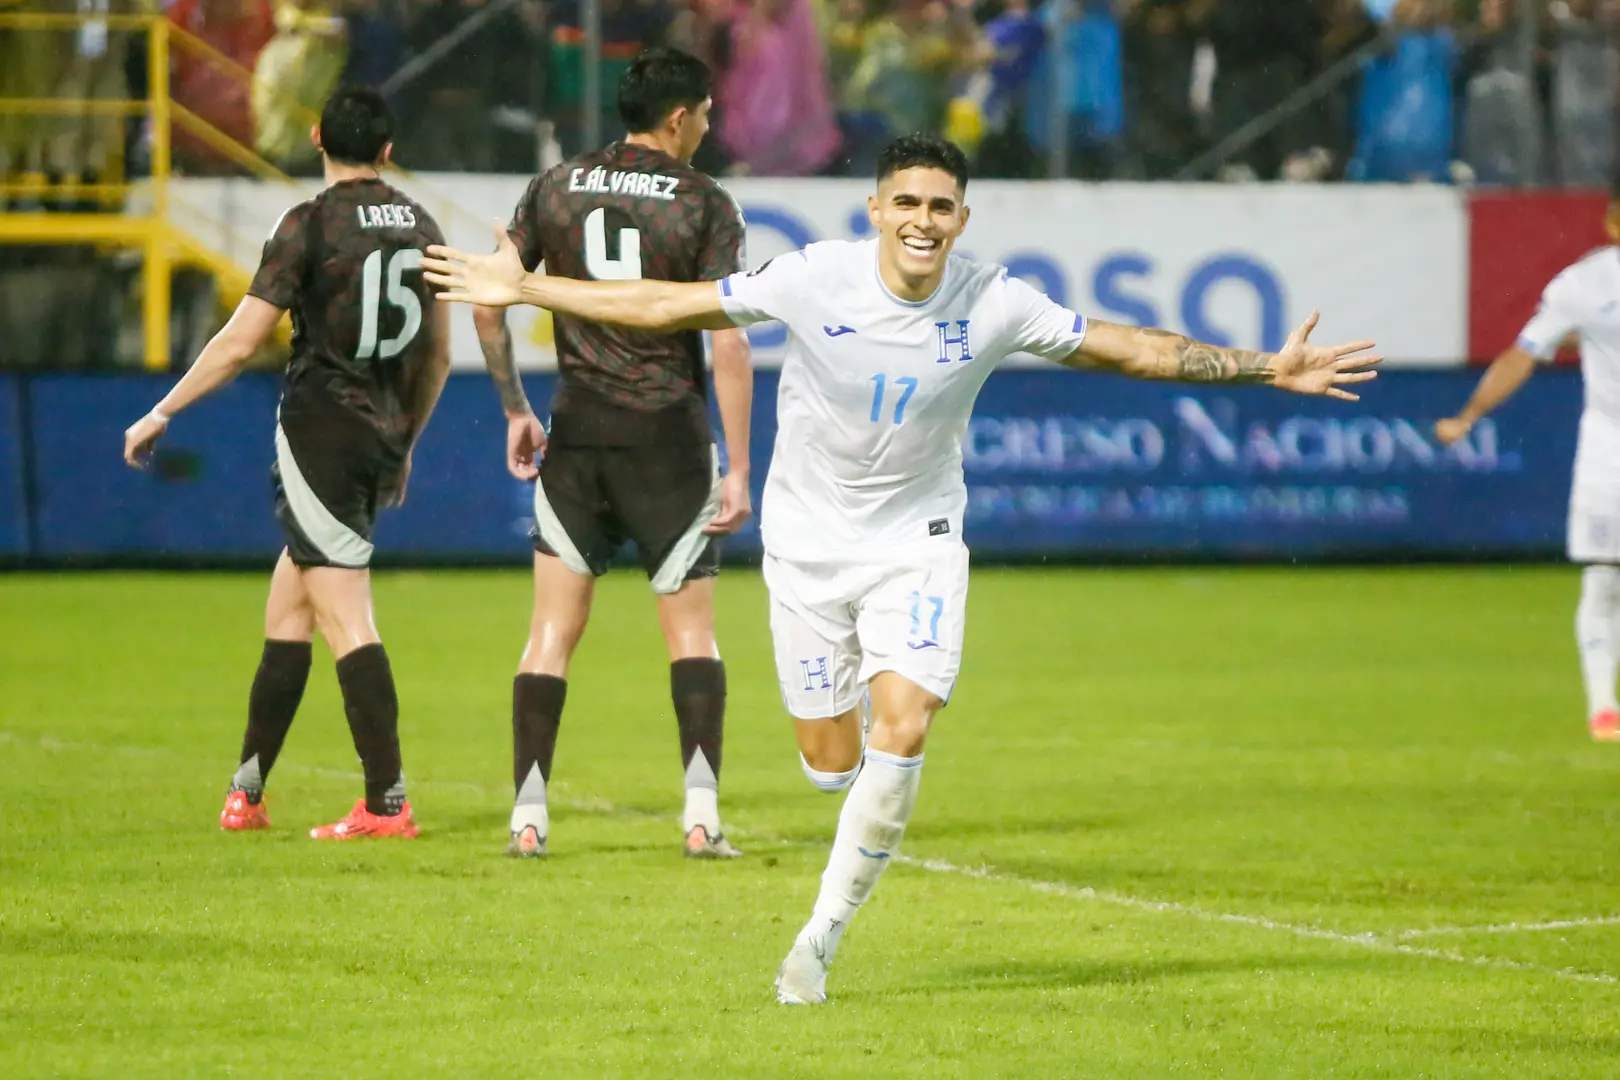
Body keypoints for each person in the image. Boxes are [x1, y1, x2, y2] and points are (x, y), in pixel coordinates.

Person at [424, 133, 1380, 1003]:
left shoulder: (994, 298)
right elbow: (666, 304)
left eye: (942, 208)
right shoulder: (814, 278)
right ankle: (836, 810)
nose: (924, 222)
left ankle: (819, 943)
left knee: (906, 723)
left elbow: (1128, 348)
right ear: (876, 211)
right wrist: (532, 290)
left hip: (916, 542)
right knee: (829, 758)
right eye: (908, 204)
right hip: (806, 549)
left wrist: (1268, 367)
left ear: (961, 220)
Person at [122, 87, 451, 840]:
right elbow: (435, 355)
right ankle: (248, 790)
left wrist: (163, 410)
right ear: (389, 150)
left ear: (315, 138)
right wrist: (404, 442)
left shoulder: (307, 224)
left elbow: (241, 343)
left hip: (319, 433)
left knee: (345, 615)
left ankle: (386, 803)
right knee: (289, 610)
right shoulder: (421, 224)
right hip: (376, 432)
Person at [469, 46, 754, 860]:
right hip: (667, 440)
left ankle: (528, 818)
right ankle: (701, 819)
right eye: (704, 111)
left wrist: (516, 408)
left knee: (550, 634)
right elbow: (727, 342)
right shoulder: (704, 201)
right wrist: (736, 465)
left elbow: (491, 303)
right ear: (678, 118)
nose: (708, 124)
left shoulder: (554, 187)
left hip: (579, 436)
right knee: (692, 636)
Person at [1436, 191, 1620, 742]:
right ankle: (1602, 706)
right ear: (1613, 223)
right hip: (1610, 447)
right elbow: (1523, 353)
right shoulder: (1584, 285)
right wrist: (1469, 414)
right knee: (1604, 575)